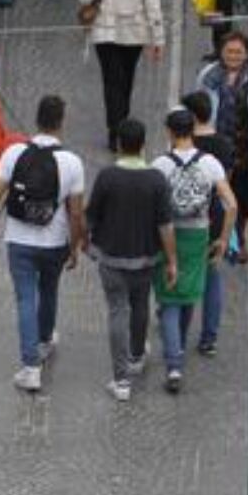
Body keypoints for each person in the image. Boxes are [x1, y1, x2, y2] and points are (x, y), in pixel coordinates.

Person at [0, 95, 88, 394]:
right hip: (54, 241)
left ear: (37, 119)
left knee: (25, 299)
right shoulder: (71, 162)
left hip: (19, 240)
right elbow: (76, 211)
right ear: (61, 122)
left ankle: (30, 368)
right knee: (49, 289)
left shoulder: (14, 152)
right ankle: (44, 340)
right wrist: (74, 245)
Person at [84, 117, 176, 404]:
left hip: (111, 259)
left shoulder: (107, 177)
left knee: (117, 312)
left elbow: (90, 216)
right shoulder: (156, 180)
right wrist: (172, 260)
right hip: (147, 259)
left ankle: (121, 379)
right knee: (140, 305)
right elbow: (165, 226)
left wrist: (82, 242)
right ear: (144, 145)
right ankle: (137, 355)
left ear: (120, 145)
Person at [151, 107, 233, 393]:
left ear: (170, 132)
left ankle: (174, 365)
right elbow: (231, 204)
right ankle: (180, 348)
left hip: (169, 233)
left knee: (169, 297)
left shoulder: (160, 164)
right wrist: (223, 238)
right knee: (187, 294)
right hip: (199, 233)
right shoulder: (210, 163)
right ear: (193, 130)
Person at [80, 0, 165, 150]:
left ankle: (115, 129)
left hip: (105, 31)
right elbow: (153, 7)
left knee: (111, 81)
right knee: (126, 79)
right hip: (135, 33)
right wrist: (158, 39)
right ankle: (123, 125)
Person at [196, 25, 248, 262]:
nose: (234, 56)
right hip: (219, 143)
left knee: (244, 195)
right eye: (229, 51)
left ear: (247, 53)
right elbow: (198, 104)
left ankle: (238, 238)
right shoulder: (209, 76)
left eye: (238, 52)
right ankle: (218, 234)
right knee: (217, 191)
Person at [181, 89, 238, 357]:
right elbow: (227, 185)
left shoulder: (185, 144)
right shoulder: (225, 144)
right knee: (212, 276)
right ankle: (209, 336)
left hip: (189, 215)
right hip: (215, 215)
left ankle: (177, 327)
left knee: (185, 273)